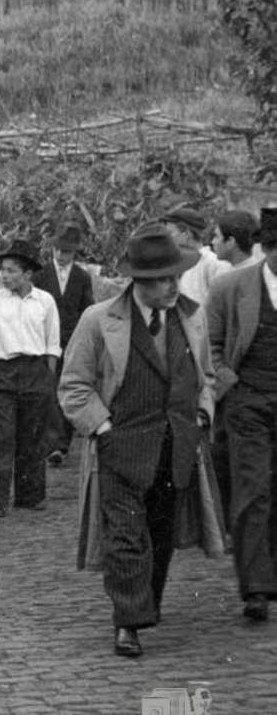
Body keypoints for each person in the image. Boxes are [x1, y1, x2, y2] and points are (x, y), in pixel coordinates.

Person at [60, 221, 219, 657]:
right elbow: (73, 386)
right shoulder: (99, 320)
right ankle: (128, 622)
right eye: (162, 280)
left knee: (161, 535)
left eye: (175, 276)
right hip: (121, 448)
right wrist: (103, 427)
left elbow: (206, 375)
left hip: (176, 448)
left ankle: (147, 602)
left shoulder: (192, 316)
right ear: (138, 282)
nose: (172, 286)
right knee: (126, 537)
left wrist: (202, 413)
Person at [206, 205, 277, 623]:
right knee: (252, 489)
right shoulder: (231, 287)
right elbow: (210, 342)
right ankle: (256, 588)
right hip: (247, 400)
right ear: (268, 249)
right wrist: (227, 376)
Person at [0, 238, 61, 517]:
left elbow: (52, 345)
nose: (5, 276)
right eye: (3, 270)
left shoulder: (45, 302)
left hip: (35, 372)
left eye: (11, 271)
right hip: (1, 373)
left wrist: (48, 379)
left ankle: (30, 495)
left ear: (27, 274)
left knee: (33, 437)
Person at [33, 223, 95, 466]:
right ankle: (51, 444)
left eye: (66, 252)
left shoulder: (82, 277)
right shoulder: (39, 276)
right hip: (44, 342)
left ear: (74, 253)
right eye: (57, 250)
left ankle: (61, 445)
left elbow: (87, 310)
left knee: (67, 389)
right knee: (48, 391)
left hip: (72, 342)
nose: (60, 255)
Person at [162, 207, 230, 305]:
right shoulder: (173, 263)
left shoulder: (214, 263)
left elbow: (222, 306)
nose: (167, 238)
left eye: (171, 233)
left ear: (186, 233)